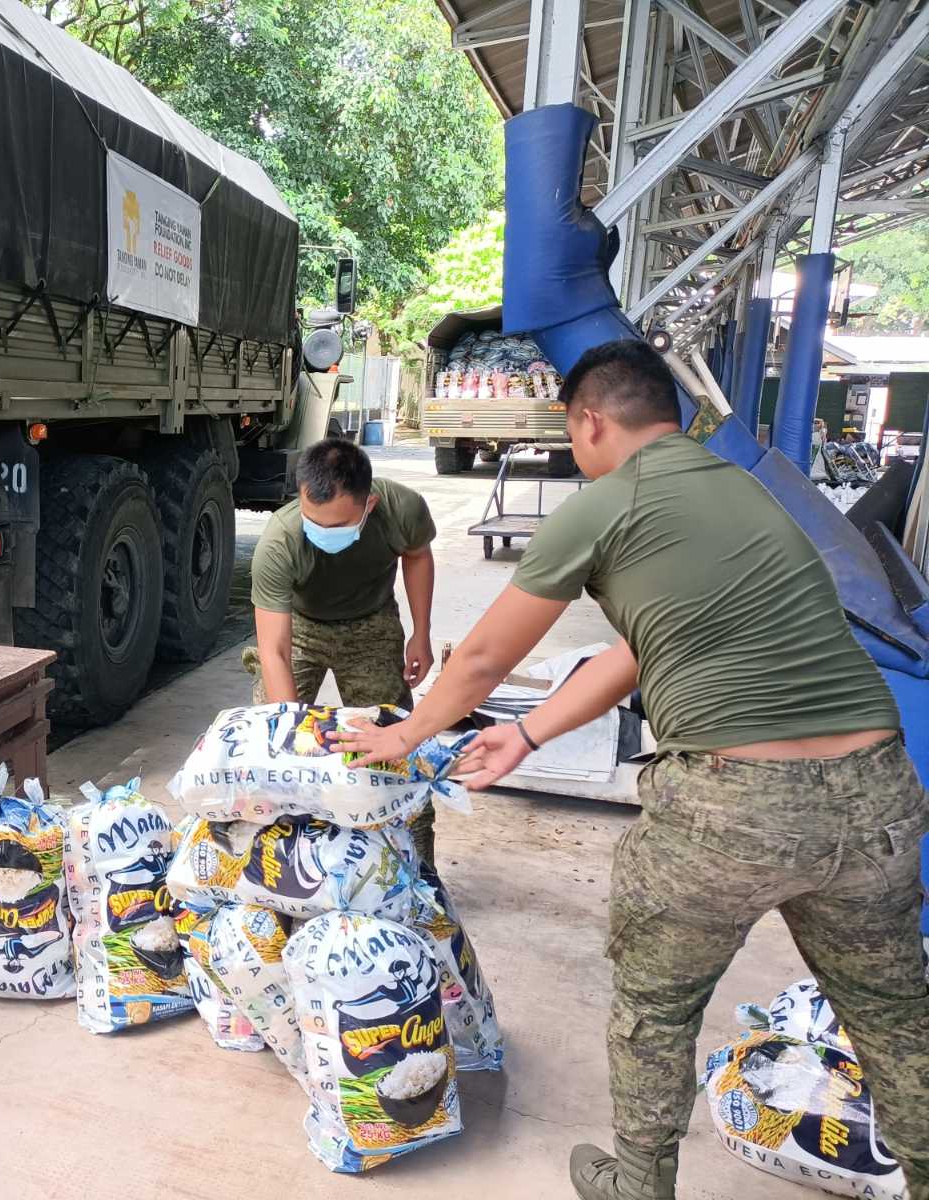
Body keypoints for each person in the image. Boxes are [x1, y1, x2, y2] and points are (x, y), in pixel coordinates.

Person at [333, 339, 928, 1200]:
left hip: (733, 806)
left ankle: (637, 1183)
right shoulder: (748, 492)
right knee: (895, 1014)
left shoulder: (609, 501)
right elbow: (639, 649)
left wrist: (406, 734)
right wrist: (528, 737)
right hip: (877, 797)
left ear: (590, 420)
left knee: (656, 1007)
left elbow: (489, 652)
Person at [250, 436, 438, 863]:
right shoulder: (280, 541)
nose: (322, 534)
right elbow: (273, 649)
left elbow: (418, 554)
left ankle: (417, 865)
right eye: (315, 523)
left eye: (336, 527)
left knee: (393, 746)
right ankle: (276, 865)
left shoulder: (401, 508)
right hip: (300, 629)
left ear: (368, 505)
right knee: (267, 744)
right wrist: (290, 730)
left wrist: (421, 633)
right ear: (302, 494)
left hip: (370, 625)